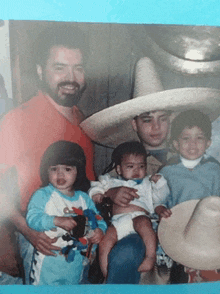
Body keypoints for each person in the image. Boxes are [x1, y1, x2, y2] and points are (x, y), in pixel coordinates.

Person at [80, 56, 220, 283]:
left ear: (171, 120)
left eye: (162, 119)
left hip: (189, 237)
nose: (156, 128)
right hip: (135, 233)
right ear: (134, 124)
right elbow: (97, 199)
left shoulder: (193, 162)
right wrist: (108, 194)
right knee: (126, 254)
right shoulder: (122, 165)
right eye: (147, 120)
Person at [0, 24, 95, 284]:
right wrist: (26, 229)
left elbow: (87, 186)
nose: (71, 77)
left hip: (80, 238)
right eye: (60, 67)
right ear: (41, 71)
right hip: (40, 238)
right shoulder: (17, 121)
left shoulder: (85, 124)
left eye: (78, 67)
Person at [26, 141, 106, 285]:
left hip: (76, 264)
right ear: (46, 170)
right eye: (54, 169)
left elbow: (98, 219)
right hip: (48, 263)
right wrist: (56, 220)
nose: (60, 174)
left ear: (78, 171)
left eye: (67, 169)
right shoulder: (43, 195)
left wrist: (100, 230)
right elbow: (32, 218)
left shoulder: (84, 198)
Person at [88, 141, 169, 278]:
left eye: (141, 166)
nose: (137, 171)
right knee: (105, 241)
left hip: (139, 216)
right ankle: (106, 272)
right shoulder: (111, 182)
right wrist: (97, 193)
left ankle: (150, 257)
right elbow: (96, 186)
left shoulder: (147, 183)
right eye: (130, 166)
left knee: (146, 226)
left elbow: (160, 198)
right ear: (119, 169)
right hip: (117, 221)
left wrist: (160, 183)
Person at [156, 109, 220, 218]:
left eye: (199, 138)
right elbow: (158, 198)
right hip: (178, 223)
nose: (193, 143)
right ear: (176, 144)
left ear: (208, 143)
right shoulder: (166, 171)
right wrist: (159, 208)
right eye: (186, 138)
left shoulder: (214, 169)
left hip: (209, 223)